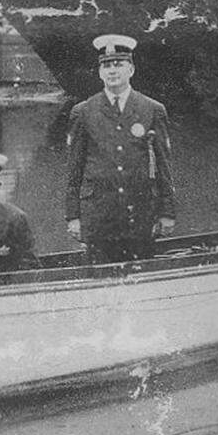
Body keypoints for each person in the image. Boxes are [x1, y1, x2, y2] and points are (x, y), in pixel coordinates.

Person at [65, 34, 177, 263]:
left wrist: (167, 212)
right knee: (100, 281)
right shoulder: (83, 112)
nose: (112, 71)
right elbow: (74, 169)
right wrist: (73, 216)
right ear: (99, 72)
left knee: (142, 280)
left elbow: (164, 165)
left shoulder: (152, 109)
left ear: (131, 69)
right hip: (99, 215)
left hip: (140, 214)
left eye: (118, 64)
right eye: (106, 65)